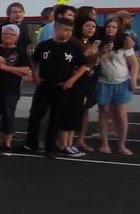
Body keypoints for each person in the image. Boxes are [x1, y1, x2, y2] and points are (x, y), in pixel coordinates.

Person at [29, 18, 86, 158]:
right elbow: (34, 60)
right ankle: (31, 144)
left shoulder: (74, 47)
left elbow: (83, 66)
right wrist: (35, 75)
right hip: (44, 85)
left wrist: (71, 80)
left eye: (70, 31)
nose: (68, 33)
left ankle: (50, 148)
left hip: (62, 87)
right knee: (36, 115)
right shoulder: (44, 45)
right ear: (56, 29)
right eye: (65, 30)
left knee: (56, 118)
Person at [0, 24, 31, 155]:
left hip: (11, 89)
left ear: (16, 37)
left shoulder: (21, 52)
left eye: (11, 34)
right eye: (5, 34)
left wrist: (8, 68)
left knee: (8, 115)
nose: (7, 36)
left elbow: (26, 70)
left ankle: (7, 143)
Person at [94, 17, 137, 154]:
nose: (110, 29)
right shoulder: (98, 41)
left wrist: (133, 79)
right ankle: (105, 144)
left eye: (114, 27)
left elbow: (134, 63)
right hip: (103, 82)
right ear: (104, 28)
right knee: (104, 113)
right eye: (108, 27)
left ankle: (122, 145)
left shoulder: (124, 42)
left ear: (118, 29)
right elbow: (91, 58)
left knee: (121, 115)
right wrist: (102, 51)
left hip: (122, 82)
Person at [69, 14, 101, 152]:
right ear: (80, 26)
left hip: (89, 80)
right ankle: (66, 141)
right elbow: (72, 61)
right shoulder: (74, 41)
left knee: (85, 111)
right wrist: (86, 55)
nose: (91, 28)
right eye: (87, 25)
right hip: (76, 80)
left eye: (93, 26)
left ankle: (80, 140)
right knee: (72, 111)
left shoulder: (90, 42)